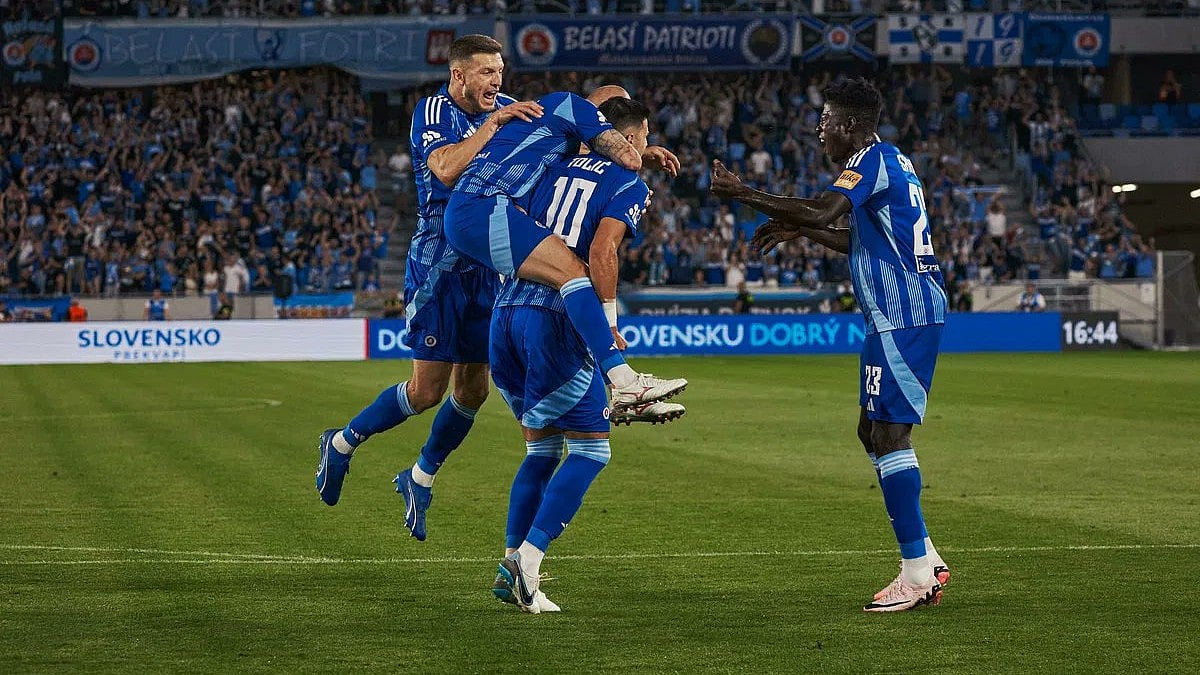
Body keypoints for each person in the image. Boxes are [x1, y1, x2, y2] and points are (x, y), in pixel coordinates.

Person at [711, 77, 950, 613]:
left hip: (904, 313)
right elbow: (846, 236)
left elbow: (824, 212)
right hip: (889, 316)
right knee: (871, 430)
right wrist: (798, 230)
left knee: (890, 435)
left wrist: (743, 193)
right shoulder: (891, 161)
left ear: (847, 125)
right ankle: (927, 557)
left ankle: (916, 573)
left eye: (824, 122)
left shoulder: (871, 158)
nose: (819, 132)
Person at [314, 35, 544, 539]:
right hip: (439, 264)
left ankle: (420, 476)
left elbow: (559, 140)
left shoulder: (507, 109)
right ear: (459, 75)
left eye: (500, 72)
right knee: (426, 392)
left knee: (475, 388)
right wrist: (493, 124)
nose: (497, 82)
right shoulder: (433, 110)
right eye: (486, 72)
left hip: (487, 262)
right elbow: (443, 168)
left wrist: (627, 145)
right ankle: (342, 443)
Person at [489, 98, 684, 614]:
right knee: (592, 452)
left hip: (506, 314)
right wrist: (610, 322)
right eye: (644, 137)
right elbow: (602, 251)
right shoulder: (629, 183)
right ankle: (526, 568)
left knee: (542, 450)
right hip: (557, 318)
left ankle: (511, 561)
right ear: (635, 135)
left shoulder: (551, 162)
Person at [442, 88, 688, 435]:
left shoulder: (559, 150)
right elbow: (627, 161)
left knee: (540, 442)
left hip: (502, 293)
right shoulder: (578, 109)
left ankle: (422, 474)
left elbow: (591, 157)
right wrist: (638, 153)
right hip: (484, 205)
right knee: (574, 272)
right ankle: (623, 380)